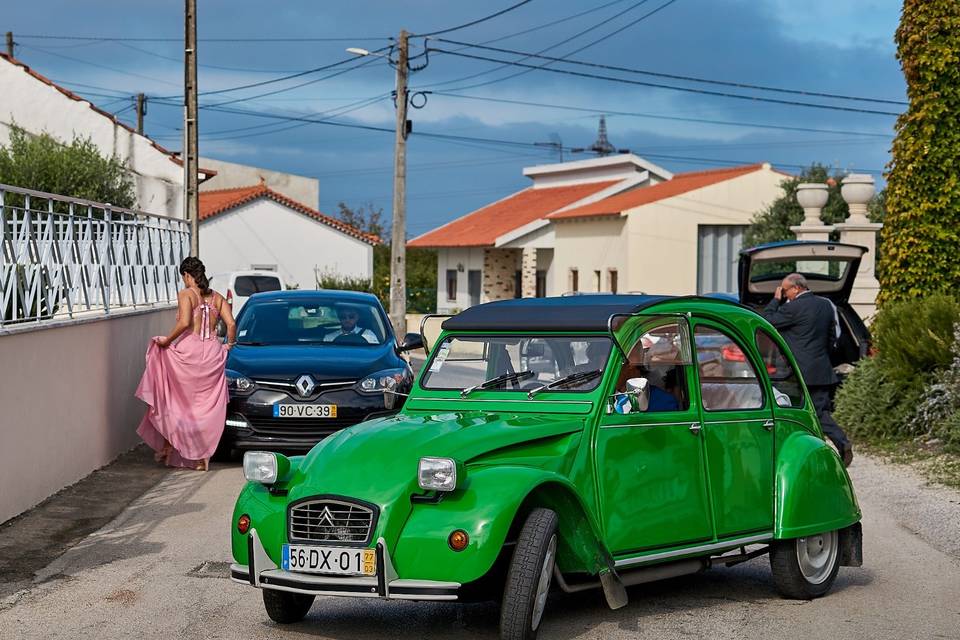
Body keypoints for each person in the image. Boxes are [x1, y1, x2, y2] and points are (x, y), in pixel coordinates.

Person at [135, 257, 236, 471]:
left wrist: (166, 341)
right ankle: (199, 456)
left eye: (183, 277)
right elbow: (231, 323)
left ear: (187, 275)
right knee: (204, 407)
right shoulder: (217, 298)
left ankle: (170, 445)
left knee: (176, 401)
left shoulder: (186, 294)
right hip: (212, 353)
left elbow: (184, 323)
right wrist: (229, 346)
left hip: (189, 353)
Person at [762, 273, 853, 466]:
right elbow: (832, 338)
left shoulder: (792, 308)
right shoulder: (826, 305)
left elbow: (766, 320)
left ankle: (829, 446)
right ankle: (828, 447)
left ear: (796, 288)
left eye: (785, 290)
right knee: (819, 412)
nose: (784, 294)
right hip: (821, 370)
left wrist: (775, 300)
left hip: (798, 373)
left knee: (794, 412)